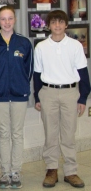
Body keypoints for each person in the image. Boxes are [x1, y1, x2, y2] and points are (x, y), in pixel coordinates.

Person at [34, 10, 90, 188]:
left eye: (60, 22)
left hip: (70, 93)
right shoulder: (41, 47)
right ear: (48, 25)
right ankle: (51, 169)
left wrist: (83, 99)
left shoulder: (75, 46)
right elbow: (36, 75)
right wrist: (37, 97)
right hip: (48, 93)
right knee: (50, 133)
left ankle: (71, 171)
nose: (57, 26)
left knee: (68, 134)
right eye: (53, 22)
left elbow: (84, 74)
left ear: (66, 25)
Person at [0, 6, 34, 189]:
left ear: (14, 19)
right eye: (3, 19)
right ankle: (5, 171)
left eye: (10, 18)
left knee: (17, 133)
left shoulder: (24, 43)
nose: (7, 22)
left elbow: (29, 70)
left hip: (19, 95)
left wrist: (21, 86)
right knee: (3, 133)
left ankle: (15, 171)